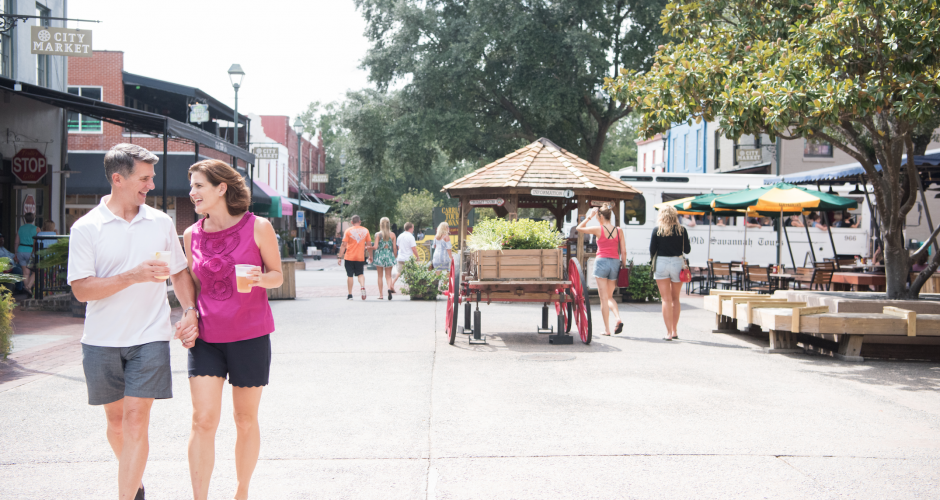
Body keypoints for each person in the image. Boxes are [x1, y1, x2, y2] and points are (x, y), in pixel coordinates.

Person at [67, 143, 198, 500]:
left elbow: (179, 272)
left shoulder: (160, 222)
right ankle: (135, 484)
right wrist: (133, 276)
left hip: (150, 336)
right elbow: (82, 290)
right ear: (118, 179)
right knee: (116, 424)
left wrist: (189, 310)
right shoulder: (86, 228)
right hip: (101, 339)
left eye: (151, 178)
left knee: (137, 420)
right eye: (144, 178)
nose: (151, 185)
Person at [183, 159, 282, 500]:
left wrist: (259, 278)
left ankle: (241, 492)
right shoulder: (191, 235)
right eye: (192, 185)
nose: (192, 192)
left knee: (244, 419)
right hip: (206, 338)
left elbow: (277, 276)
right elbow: (193, 284)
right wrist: (188, 313)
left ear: (221, 188)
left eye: (199, 185)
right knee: (203, 419)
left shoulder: (258, 227)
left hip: (250, 335)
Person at [577, 203, 626, 336]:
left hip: (601, 262)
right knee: (610, 296)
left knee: (603, 298)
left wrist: (589, 216)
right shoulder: (619, 230)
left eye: (597, 217)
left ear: (601, 217)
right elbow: (623, 251)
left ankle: (607, 330)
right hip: (614, 263)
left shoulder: (598, 229)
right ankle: (617, 318)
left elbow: (579, 228)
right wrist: (623, 266)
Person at [650, 205, 691, 341]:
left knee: (665, 299)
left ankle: (668, 333)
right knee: (675, 299)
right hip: (677, 263)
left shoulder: (657, 230)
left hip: (661, 262)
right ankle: (674, 330)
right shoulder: (682, 230)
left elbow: (652, 250)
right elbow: (687, 250)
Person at [337, 215, 372, 300]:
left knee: (350, 275)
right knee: (360, 274)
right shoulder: (366, 230)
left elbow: (343, 245)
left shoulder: (348, 231)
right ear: (360, 221)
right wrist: (370, 256)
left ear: (351, 222)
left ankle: (350, 295)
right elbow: (369, 245)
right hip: (360, 257)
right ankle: (362, 286)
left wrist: (340, 256)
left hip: (349, 257)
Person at [372, 217, 398, 300]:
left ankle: (381, 295)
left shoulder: (378, 234)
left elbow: (375, 247)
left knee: (380, 276)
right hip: (389, 255)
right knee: (388, 276)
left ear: (381, 224)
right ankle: (389, 288)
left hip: (380, 255)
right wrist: (395, 256)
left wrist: (368, 247)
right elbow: (394, 248)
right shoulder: (393, 234)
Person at [14, 212, 37, 297]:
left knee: (25, 273)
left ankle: (28, 291)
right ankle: (28, 287)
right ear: (33, 219)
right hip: (31, 251)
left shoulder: (20, 228)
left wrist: (16, 253)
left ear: (25, 219)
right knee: (35, 271)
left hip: (21, 250)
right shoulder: (36, 229)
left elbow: (16, 242)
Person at [390, 222, 418, 291]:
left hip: (400, 257)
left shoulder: (400, 236)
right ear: (410, 228)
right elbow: (413, 248)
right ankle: (411, 288)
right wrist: (417, 256)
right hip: (408, 258)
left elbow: (398, 247)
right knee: (410, 273)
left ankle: (392, 284)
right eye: (413, 228)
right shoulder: (411, 237)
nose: (413, 229)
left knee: (398, 272)